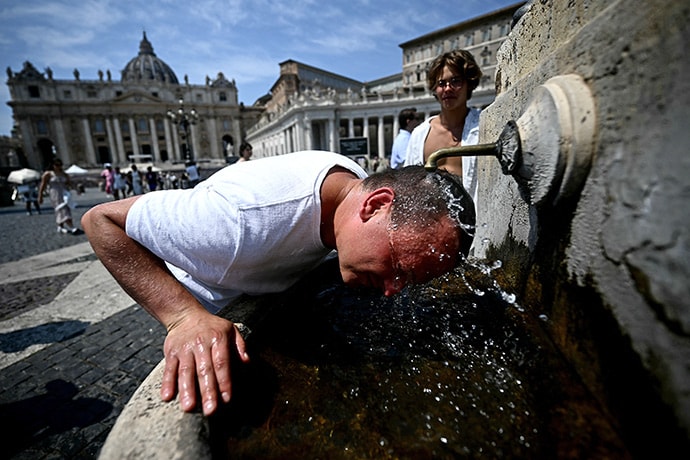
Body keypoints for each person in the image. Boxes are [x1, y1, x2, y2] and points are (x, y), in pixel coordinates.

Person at [82, 150, 475, 417]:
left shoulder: (353, 185)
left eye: (407, 283)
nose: (392, 290)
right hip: (208, 318)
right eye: (398, 267)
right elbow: (101, 221)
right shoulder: (237, 221)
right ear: (374, 206)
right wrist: (182, 317)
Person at [404, 49, 483, 202]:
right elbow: (408, 185)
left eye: (455, 81)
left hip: (475, 221)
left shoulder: (484, 126)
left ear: (469, 84)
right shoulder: (419, 134)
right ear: (435, 89)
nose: (447, 88)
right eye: (441, 83)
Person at [38, 157, 81, 234]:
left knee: (66, 209)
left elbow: (70, 183)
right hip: (55, 194)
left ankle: (60, 226)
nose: (59, 167)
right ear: (53, 165)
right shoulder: (48, 174)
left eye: (60, 165)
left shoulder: (64, 174)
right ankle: (71, 226)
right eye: (57, 165)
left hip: (64, 193)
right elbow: (43, 185)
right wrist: (40, 196)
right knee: (60, 209)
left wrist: (76, 189)